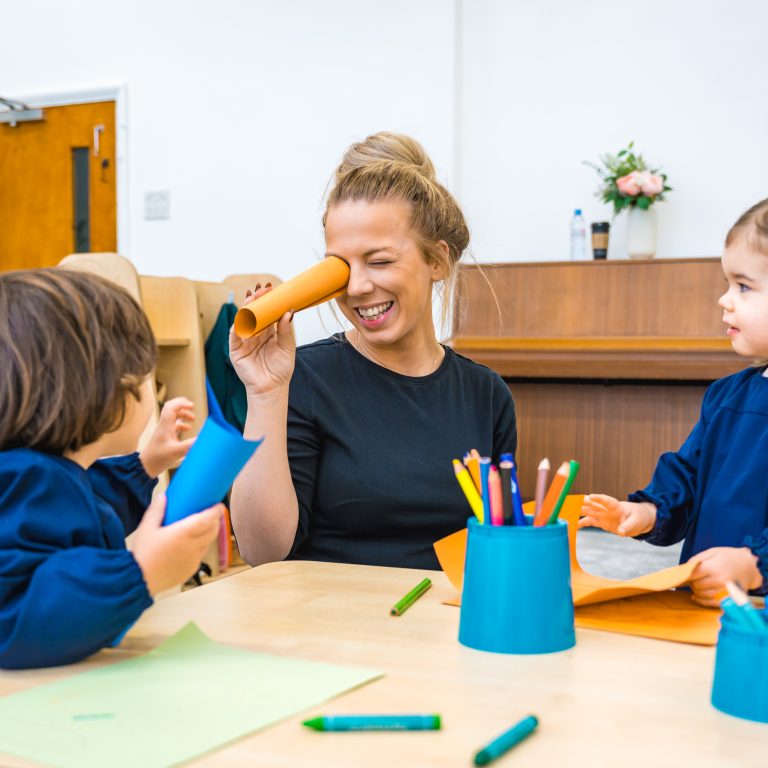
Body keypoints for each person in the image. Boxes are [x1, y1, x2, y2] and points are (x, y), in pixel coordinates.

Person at [229, 132, 516, 569]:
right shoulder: (302, 378)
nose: (359, 287)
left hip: (444, 625)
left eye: (379, 261)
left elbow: (498, 544)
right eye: (340, 268)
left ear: (437, 261)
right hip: (329, 622)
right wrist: (266, 394)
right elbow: (262, 553)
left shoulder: (487, 395)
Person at [0, 269, 223, 669]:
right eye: (143, 382)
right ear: (105, 393)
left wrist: (146, 465)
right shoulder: (27, 479)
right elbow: (13, 615)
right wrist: (141, 572)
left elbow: (85, 508)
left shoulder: (39, 474)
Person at [580, 198, 768, 605]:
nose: (725, 299)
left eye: (743, 286)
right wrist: (646, 513)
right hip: (701, 605)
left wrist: (755, 564)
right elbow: (686, 481)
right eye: (727, 284)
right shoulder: (725, 397)